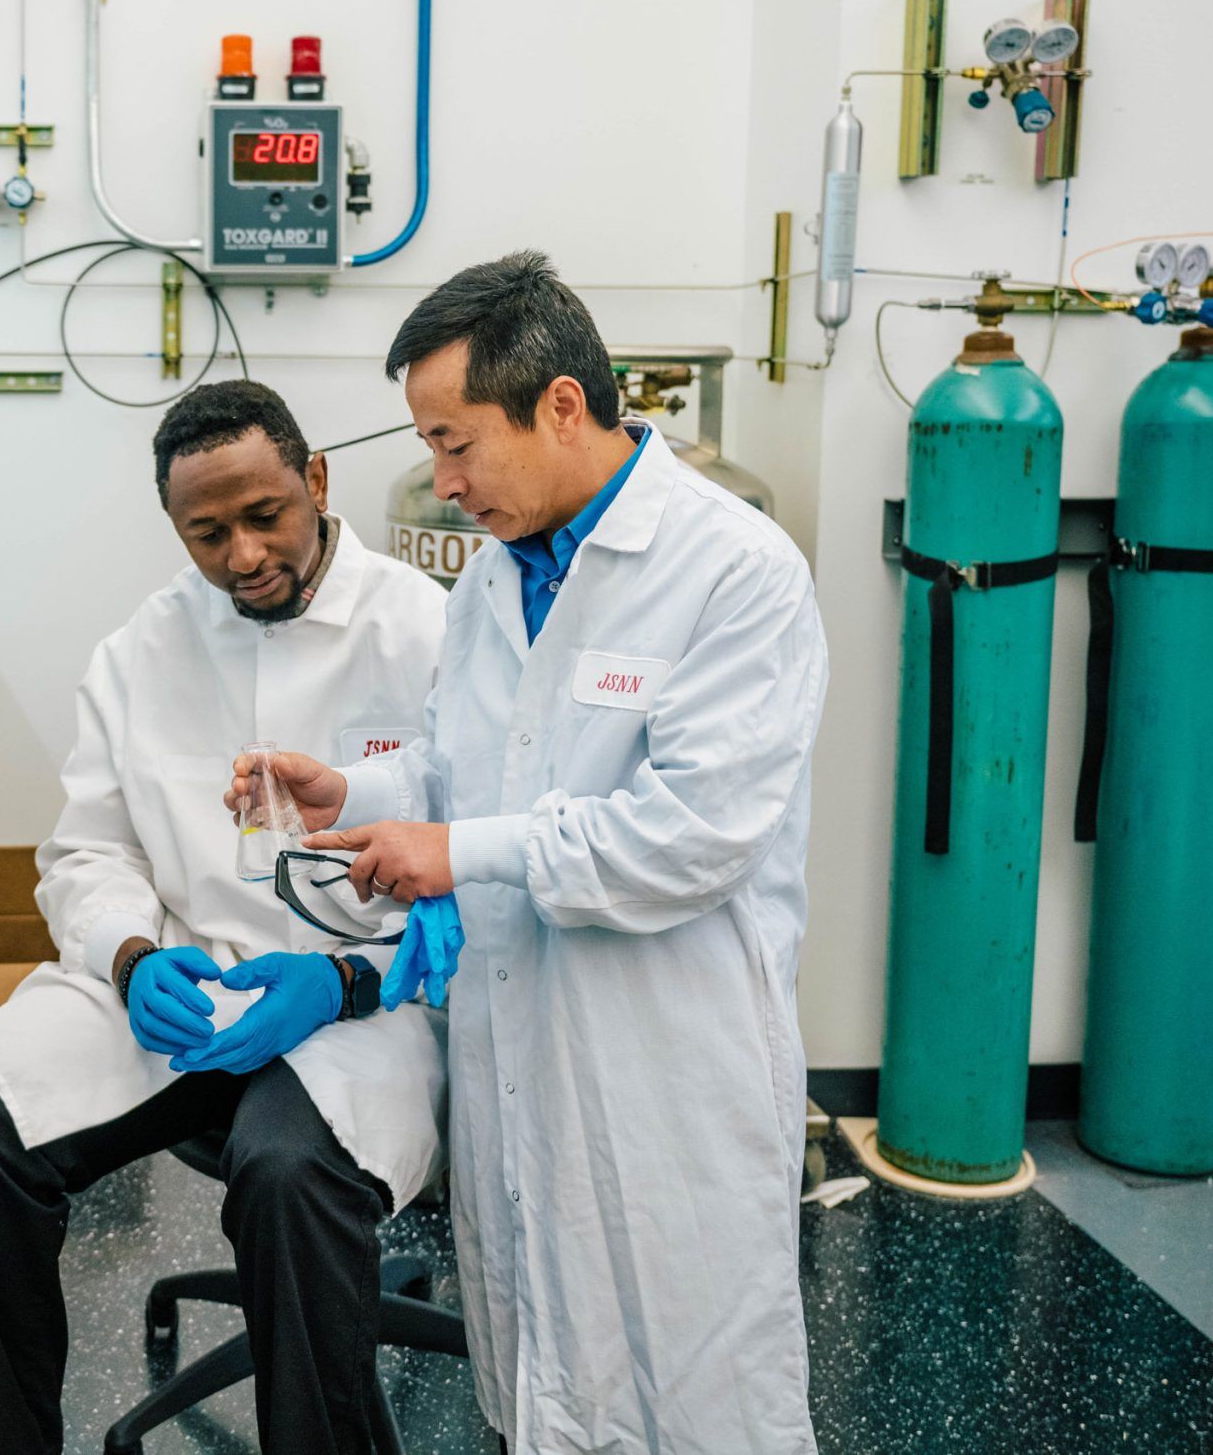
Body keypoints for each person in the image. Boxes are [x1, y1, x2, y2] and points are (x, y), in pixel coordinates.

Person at [233, 251, 830, 1454]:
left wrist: (454, 848)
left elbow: (689, 838)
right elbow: (475, 774)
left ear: (561, 405)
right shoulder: (500, 577)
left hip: (668, 1055)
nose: (444, 482)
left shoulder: (735, 571)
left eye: (457, 444)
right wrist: (354, 787)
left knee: (694, 1392)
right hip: (521, 1047)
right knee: (539, 1380)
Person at [0, 380, 450, 1455]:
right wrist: (127, 958)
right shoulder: (141, 653)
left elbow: (482, 867)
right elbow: (88, 851)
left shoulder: (429, 633)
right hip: (186, 980)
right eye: (207, 533)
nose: (243, 556)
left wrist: (347, 979)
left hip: (370, 999)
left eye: (264, 517)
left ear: (314, 480)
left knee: (287, 1169)